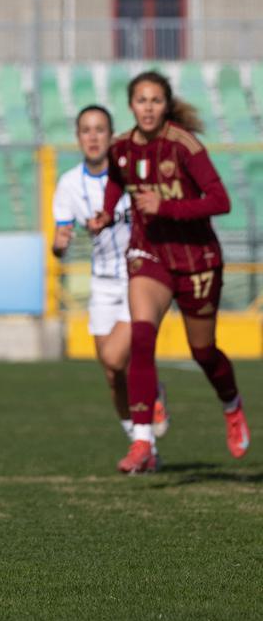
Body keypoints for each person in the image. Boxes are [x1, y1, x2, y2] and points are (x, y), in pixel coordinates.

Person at [89, 70, 250, 474]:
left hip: (197, 260)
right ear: (131, 105)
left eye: (155, 101)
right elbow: (114, 181)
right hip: (149, 254)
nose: (148, 107)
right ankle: (142, 440)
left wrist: (168, 208)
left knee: (203, 351)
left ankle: (231, 405)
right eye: (141, 100)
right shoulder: (121, 147)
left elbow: (221, 200)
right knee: (142, 337)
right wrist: (106, 215)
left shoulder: (185, 146)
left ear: (166, 105)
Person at [51, 105, 169, 461]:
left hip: (139, 275)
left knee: (118, 355)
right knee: (112, 371)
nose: (93, 136)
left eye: (100, 129)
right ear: (78, 137)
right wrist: (60, 245)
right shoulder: (69, 184)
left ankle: (153, 397)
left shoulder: (131, 174)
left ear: (111, 135)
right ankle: (142, 443)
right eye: (86, 130)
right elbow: (59, 240)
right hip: (102, 282)